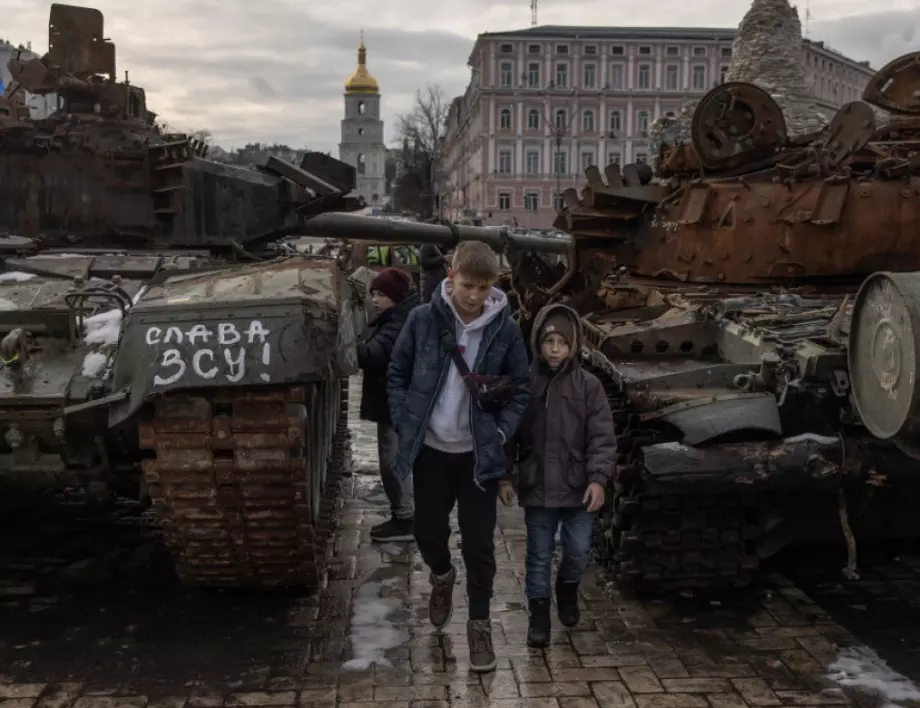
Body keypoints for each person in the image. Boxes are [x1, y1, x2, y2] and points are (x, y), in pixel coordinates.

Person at [387, 240, 531, 673]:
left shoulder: (504, 328)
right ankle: (441, 574)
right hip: (430, 451)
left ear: (493, 286)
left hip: (476, 457)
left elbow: (521, 387)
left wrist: (502, 430)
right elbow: (397, 371)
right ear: (452, 277)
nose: (474, 296)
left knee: (480, 546)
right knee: (428, 531)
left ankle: (480, 626)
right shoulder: (422, 319)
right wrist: (404, 417)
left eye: (484, 288)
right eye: (468, 285)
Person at [501, 303, 617, 649]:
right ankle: (539, 615)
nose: (555, 350)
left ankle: (567, 589)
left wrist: (598, 478)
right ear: (537, 343)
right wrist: (505, 476)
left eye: (562, 343)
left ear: (574, 346)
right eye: (548, 341)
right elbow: (508, 433)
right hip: (538, 486)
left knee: (578, 549)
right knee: (538, 554)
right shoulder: (525, 384)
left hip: (578, 486)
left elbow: (602, 437)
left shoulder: (588, 386)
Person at [357, 268, 419, 542]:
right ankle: (405, 515)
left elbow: (374, 355)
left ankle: (406, 519)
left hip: (393, 405)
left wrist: (350, 344)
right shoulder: (398, 317)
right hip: (394, 403)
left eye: (381, 294)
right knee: (393, 460)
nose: (375, 300)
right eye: (373, 294)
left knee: (393, 462)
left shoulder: (397, 323)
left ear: (396, 296)